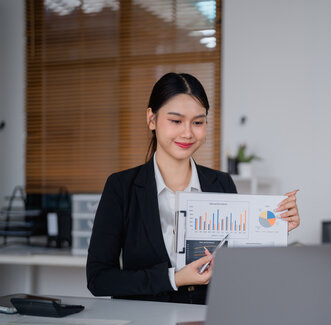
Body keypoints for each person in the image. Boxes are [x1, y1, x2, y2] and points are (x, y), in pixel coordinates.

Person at [86, 73, 300, 304]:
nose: (187, 133)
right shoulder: (121, 187)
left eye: (198, 122)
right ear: (151, 119)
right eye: (176, 121)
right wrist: (173, 278)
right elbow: (99, 279)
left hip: (207, 319)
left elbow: (239, 268)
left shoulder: (221, 184)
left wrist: (274, 231)